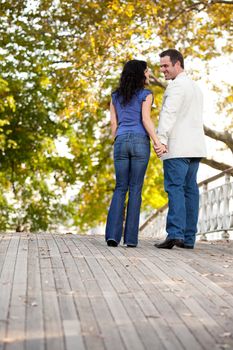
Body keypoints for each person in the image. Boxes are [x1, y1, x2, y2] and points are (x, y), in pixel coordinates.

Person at [105, 59, 166, 247]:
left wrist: (118, 139)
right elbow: (146, 120)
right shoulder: (146, 94)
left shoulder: (115, 96)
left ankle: (112, 236)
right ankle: (130, 239)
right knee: (136, 188)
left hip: (121, 141)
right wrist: (157, 143)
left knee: (120, 187)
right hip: (140, 142)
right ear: (141, 74)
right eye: (147, 71)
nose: (149, 74)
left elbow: (113, 124)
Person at [154, 49, 207, 249]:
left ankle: (175, 233)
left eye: (166, 66)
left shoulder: (176, 87)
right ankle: (188, 238)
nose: (163, 70)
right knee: (190, 191)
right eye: (161, 66)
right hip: (195, 147)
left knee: (175, 188)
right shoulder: (196, 87)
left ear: (178, 64)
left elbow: (169, 113)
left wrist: (161, 139)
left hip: (177, 147)